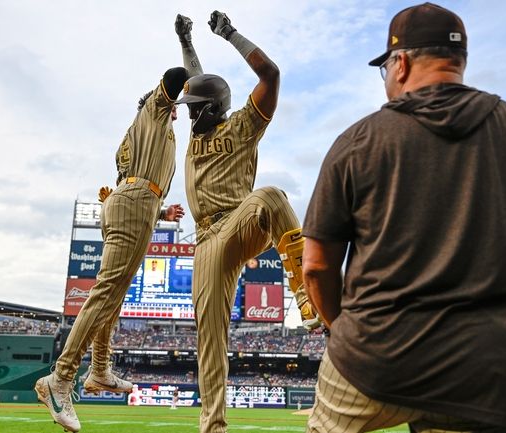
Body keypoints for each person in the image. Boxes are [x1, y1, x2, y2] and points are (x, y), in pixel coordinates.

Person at [302, 3, 506, 433]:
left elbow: (317, 265)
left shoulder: (358, 141)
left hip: (374, 359)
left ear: (402, 62)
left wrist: (339, 329)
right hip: (487, 374)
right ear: (459, 61)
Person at [173, 12, 320, 433]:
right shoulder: (197, 131)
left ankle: (305, 293)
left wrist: (230, 34)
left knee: (270, 195)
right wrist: (187, 39)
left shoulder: (243, 125)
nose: (186, 114)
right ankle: (213, 426)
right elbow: (195, 78)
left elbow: (270, 75)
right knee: (210, 335)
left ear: (211, 109)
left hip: (240, 222)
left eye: (193, 109)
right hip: (206, 240)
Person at [34, 63, 189, 433]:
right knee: (106, 293)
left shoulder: (150, 134)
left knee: (113, 296)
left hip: (136, 202)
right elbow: (175, 75)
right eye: (177, 103)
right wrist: (187, 82)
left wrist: (162, 209)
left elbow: (134, 180)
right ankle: (60, 378)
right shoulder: (153, 111)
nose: (179, 108)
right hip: (135, 203)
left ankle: (99, 370)